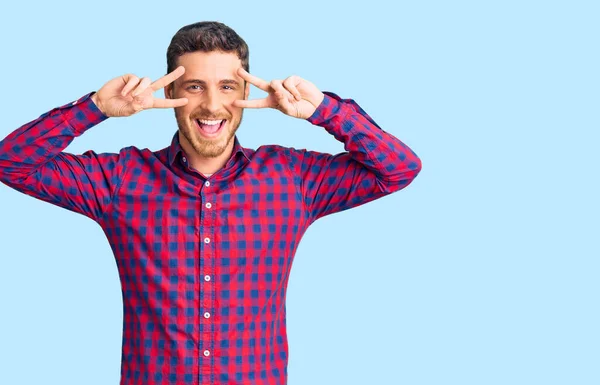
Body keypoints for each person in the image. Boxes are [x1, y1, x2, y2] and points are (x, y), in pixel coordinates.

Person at [0, 21, 421, 385]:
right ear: (170, 91)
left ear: (246, 91)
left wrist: (326, 111)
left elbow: (398, 169)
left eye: (228, 87)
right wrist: (94, 108)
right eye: (194, 87)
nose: (212, 105)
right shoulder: (119, 180)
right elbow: (11, 164)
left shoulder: (293, 179)